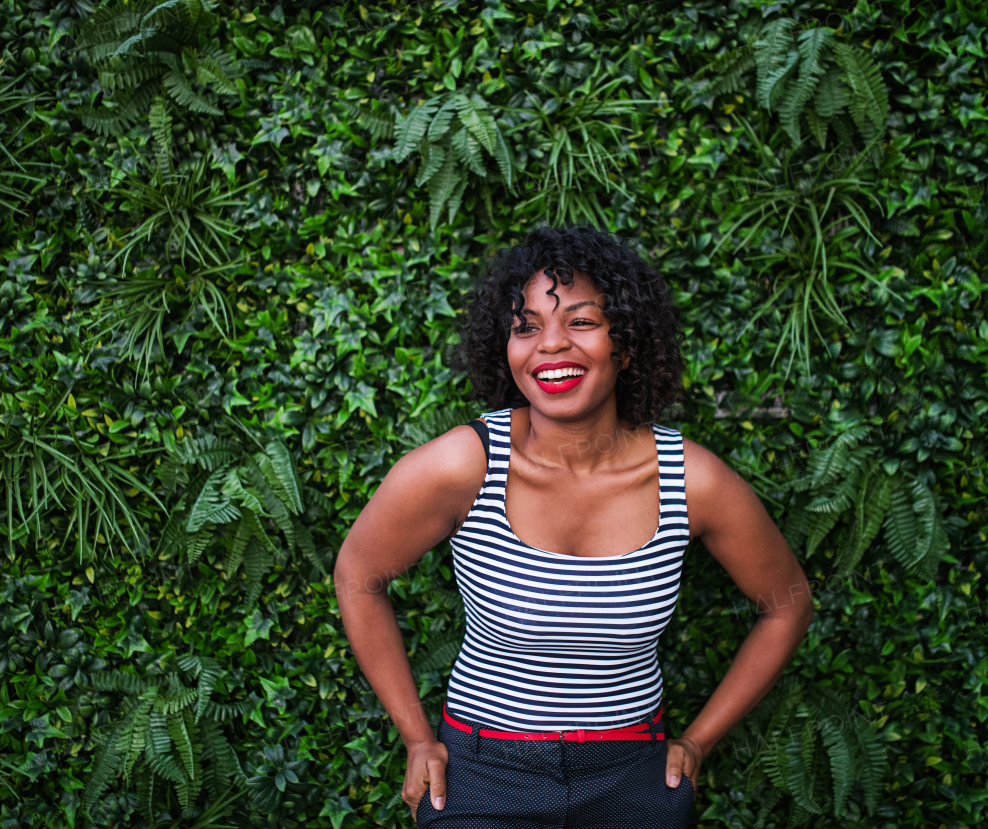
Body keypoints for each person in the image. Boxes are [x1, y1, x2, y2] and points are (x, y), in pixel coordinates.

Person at [334, 226, 813, 827]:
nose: (550, 346)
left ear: (627, 343)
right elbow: (359, 572)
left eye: (581, 322)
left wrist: (697, 742)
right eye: (526, 327)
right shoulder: (466, 465)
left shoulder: (690, 480)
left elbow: (787, 603)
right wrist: (416, 738)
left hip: (633, 780)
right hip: (482, 775)